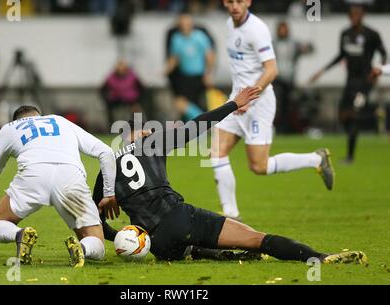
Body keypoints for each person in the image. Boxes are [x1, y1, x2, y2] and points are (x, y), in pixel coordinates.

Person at [92, 86, 366, 264]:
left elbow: (93, 219)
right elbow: (196, 127)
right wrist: (233, 104)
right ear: (139, 132)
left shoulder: (106, 168)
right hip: (179, 218)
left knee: (190, 250)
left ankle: (220, 255)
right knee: (257, 238)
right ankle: (319, 257)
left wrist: (118, 235)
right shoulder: (150, 141)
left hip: (156, 244)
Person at [210, 0, 334, 221]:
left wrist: (249, 98)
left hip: (258, 103)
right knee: (217, 151)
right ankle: (231, 215)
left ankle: (315, 159)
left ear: (248, 1)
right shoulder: (230, 24)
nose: (234, 6)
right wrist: (238, 99)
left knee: (259, 166)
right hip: (237, 100)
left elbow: (272, 69)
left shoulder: (257, 29)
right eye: (229, 1)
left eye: (239, 1)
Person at [0, 106, 117, 268]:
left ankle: (19, 235)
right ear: (40, 117)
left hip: (33, 176)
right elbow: (106, 152)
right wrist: (109, 194)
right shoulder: (60, 121)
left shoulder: (10, 128)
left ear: (16, 120)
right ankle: (82, 248)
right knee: (96, 242)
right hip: (70, 178)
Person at [310, 4, 387, 163]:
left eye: (358, 14)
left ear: (363, 15)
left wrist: (379, 71)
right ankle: (375, 116)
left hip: (365, 82)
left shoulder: (371, 34)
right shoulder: (345, 34)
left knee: (354, 115)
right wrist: (322, 71)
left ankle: (350, 157)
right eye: (352, 14)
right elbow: (341, 55)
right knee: (343, 115)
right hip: (350, 82)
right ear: (349, 16)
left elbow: (383, 52)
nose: (355, 17)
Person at [165, 12, 216, 121]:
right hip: (184, 77)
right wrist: (166, 70)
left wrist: (208, 74)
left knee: (183, 103)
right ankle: (203, 123)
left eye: (187, 22)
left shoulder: (200, 37)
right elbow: (174, 58)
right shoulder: (176, 38)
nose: (185, 25)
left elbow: (209, 55)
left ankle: (205, 122)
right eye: (182, 23)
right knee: (180, 104)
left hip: (198, 76)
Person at [273, 20, 314, 133]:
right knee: (277, 104)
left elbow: (310, 49)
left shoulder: (293, 44)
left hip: (289, 79)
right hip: (277, 78)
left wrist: (307, 47)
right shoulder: (273, 43)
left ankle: (286, 127)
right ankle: (276, 126)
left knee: (288, 105)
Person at [100, 59, 145, 128]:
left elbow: (141, 89)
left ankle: (135, 127)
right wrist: (106, 99)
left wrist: (138, 101)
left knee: (135, 110)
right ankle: (111, 128)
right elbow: (102, 89)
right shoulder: (111, 77)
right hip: (116, 99)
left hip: (131, 100)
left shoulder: (132, 76)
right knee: (109, 109)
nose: (121, 69)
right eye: (119, 67)